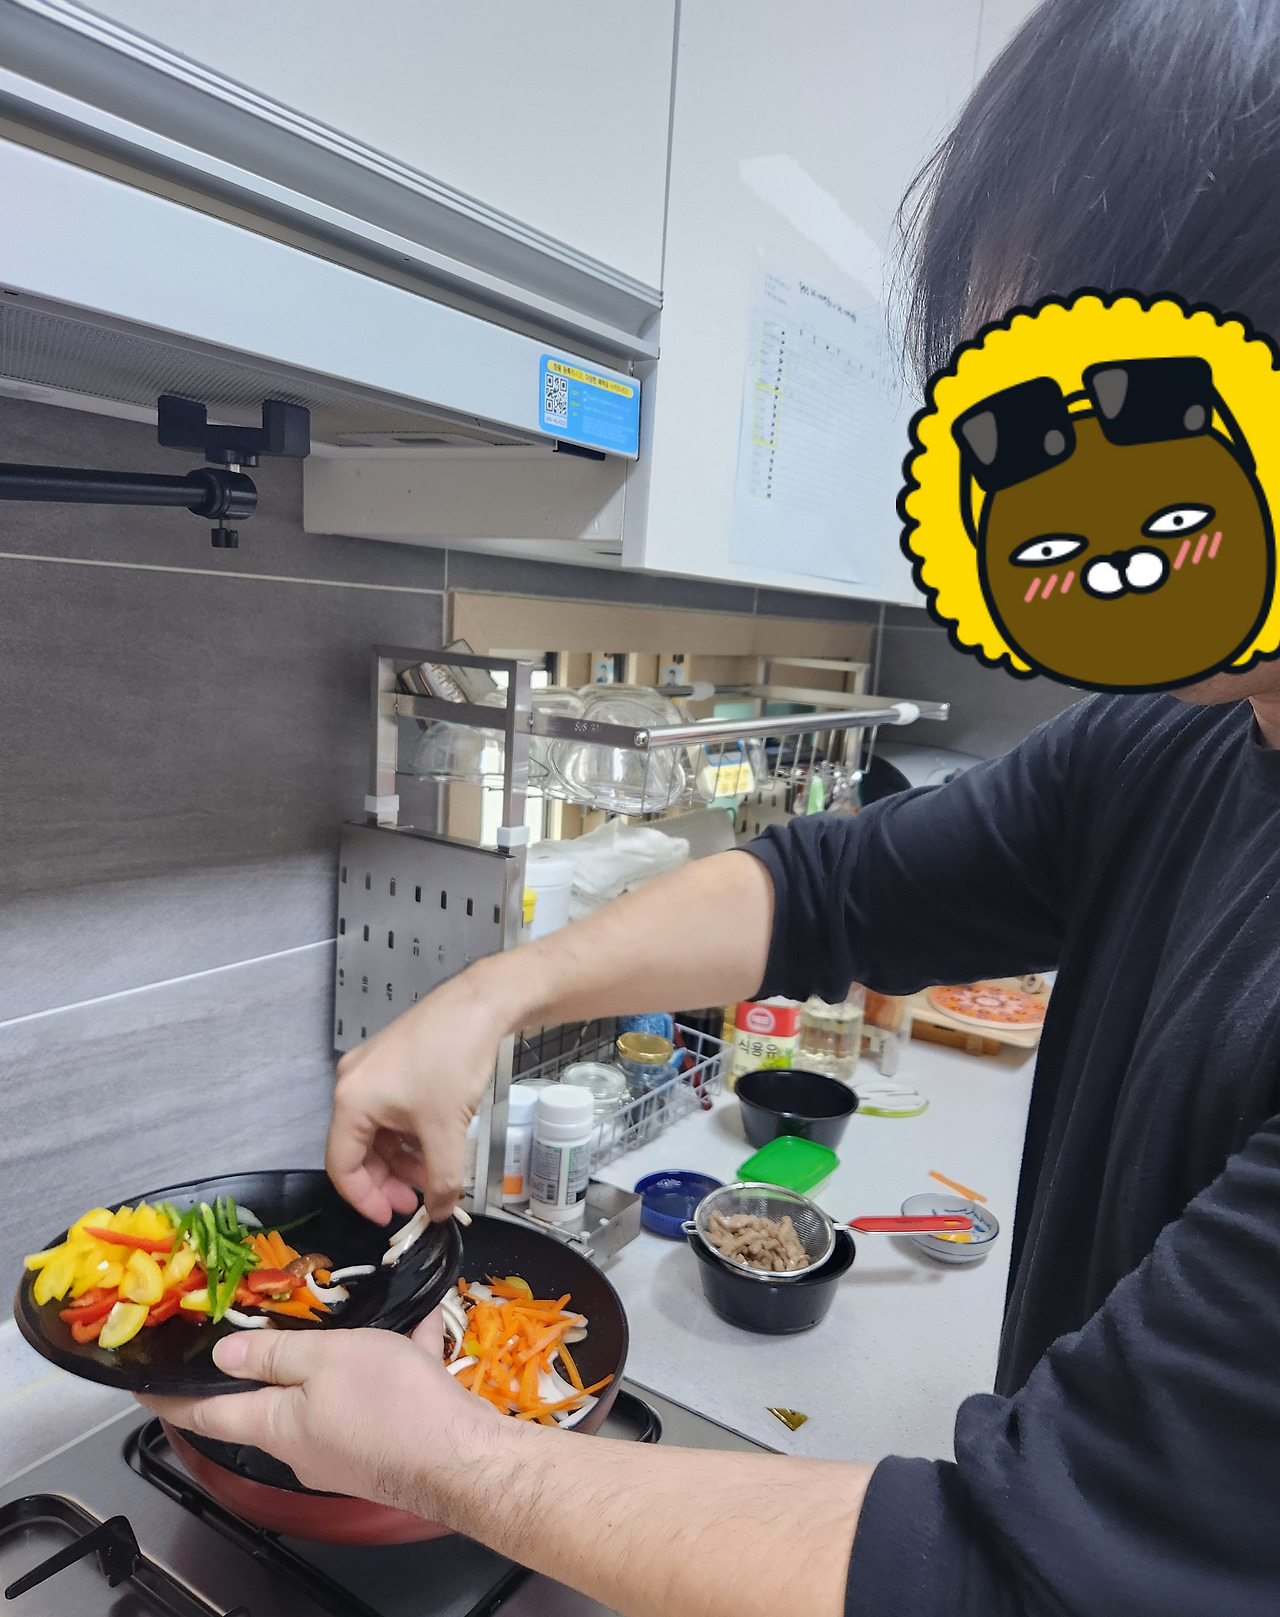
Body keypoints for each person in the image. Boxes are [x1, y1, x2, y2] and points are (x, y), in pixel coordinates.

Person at [145, 2, 1280, 1612]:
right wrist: (490, 997)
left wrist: (445, 1452)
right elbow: (826, 891)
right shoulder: (1171, 747)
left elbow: (1011, 1582)